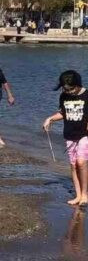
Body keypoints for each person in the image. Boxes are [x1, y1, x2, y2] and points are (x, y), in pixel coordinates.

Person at [43, 70, 88, 206]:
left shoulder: (87, 95)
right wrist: (50, 119)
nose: (69, 92)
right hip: (69, 134)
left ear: (78, 84)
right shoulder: (64, 96)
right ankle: (78, 195)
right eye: (65, 89)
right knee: (73, 165)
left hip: (85, 135)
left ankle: (85, 194)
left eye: (71, 89)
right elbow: (63, 113)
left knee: (81, 162)